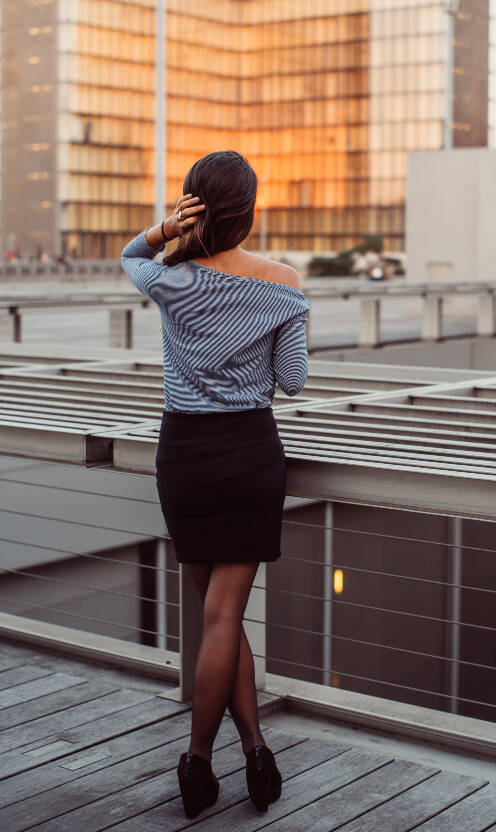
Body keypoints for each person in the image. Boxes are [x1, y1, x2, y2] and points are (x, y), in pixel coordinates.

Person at [120, 150, 311, 819]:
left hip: (187, 456)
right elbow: (293, 380)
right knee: (225, 618)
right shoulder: (284, 284)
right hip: (249, 451)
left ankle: (216, 759)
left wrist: (168, 229)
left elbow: (127, 255)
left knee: (216, 618)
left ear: (194, 206)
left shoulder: (169, 277)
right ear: (251, 210)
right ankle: (235, 753)